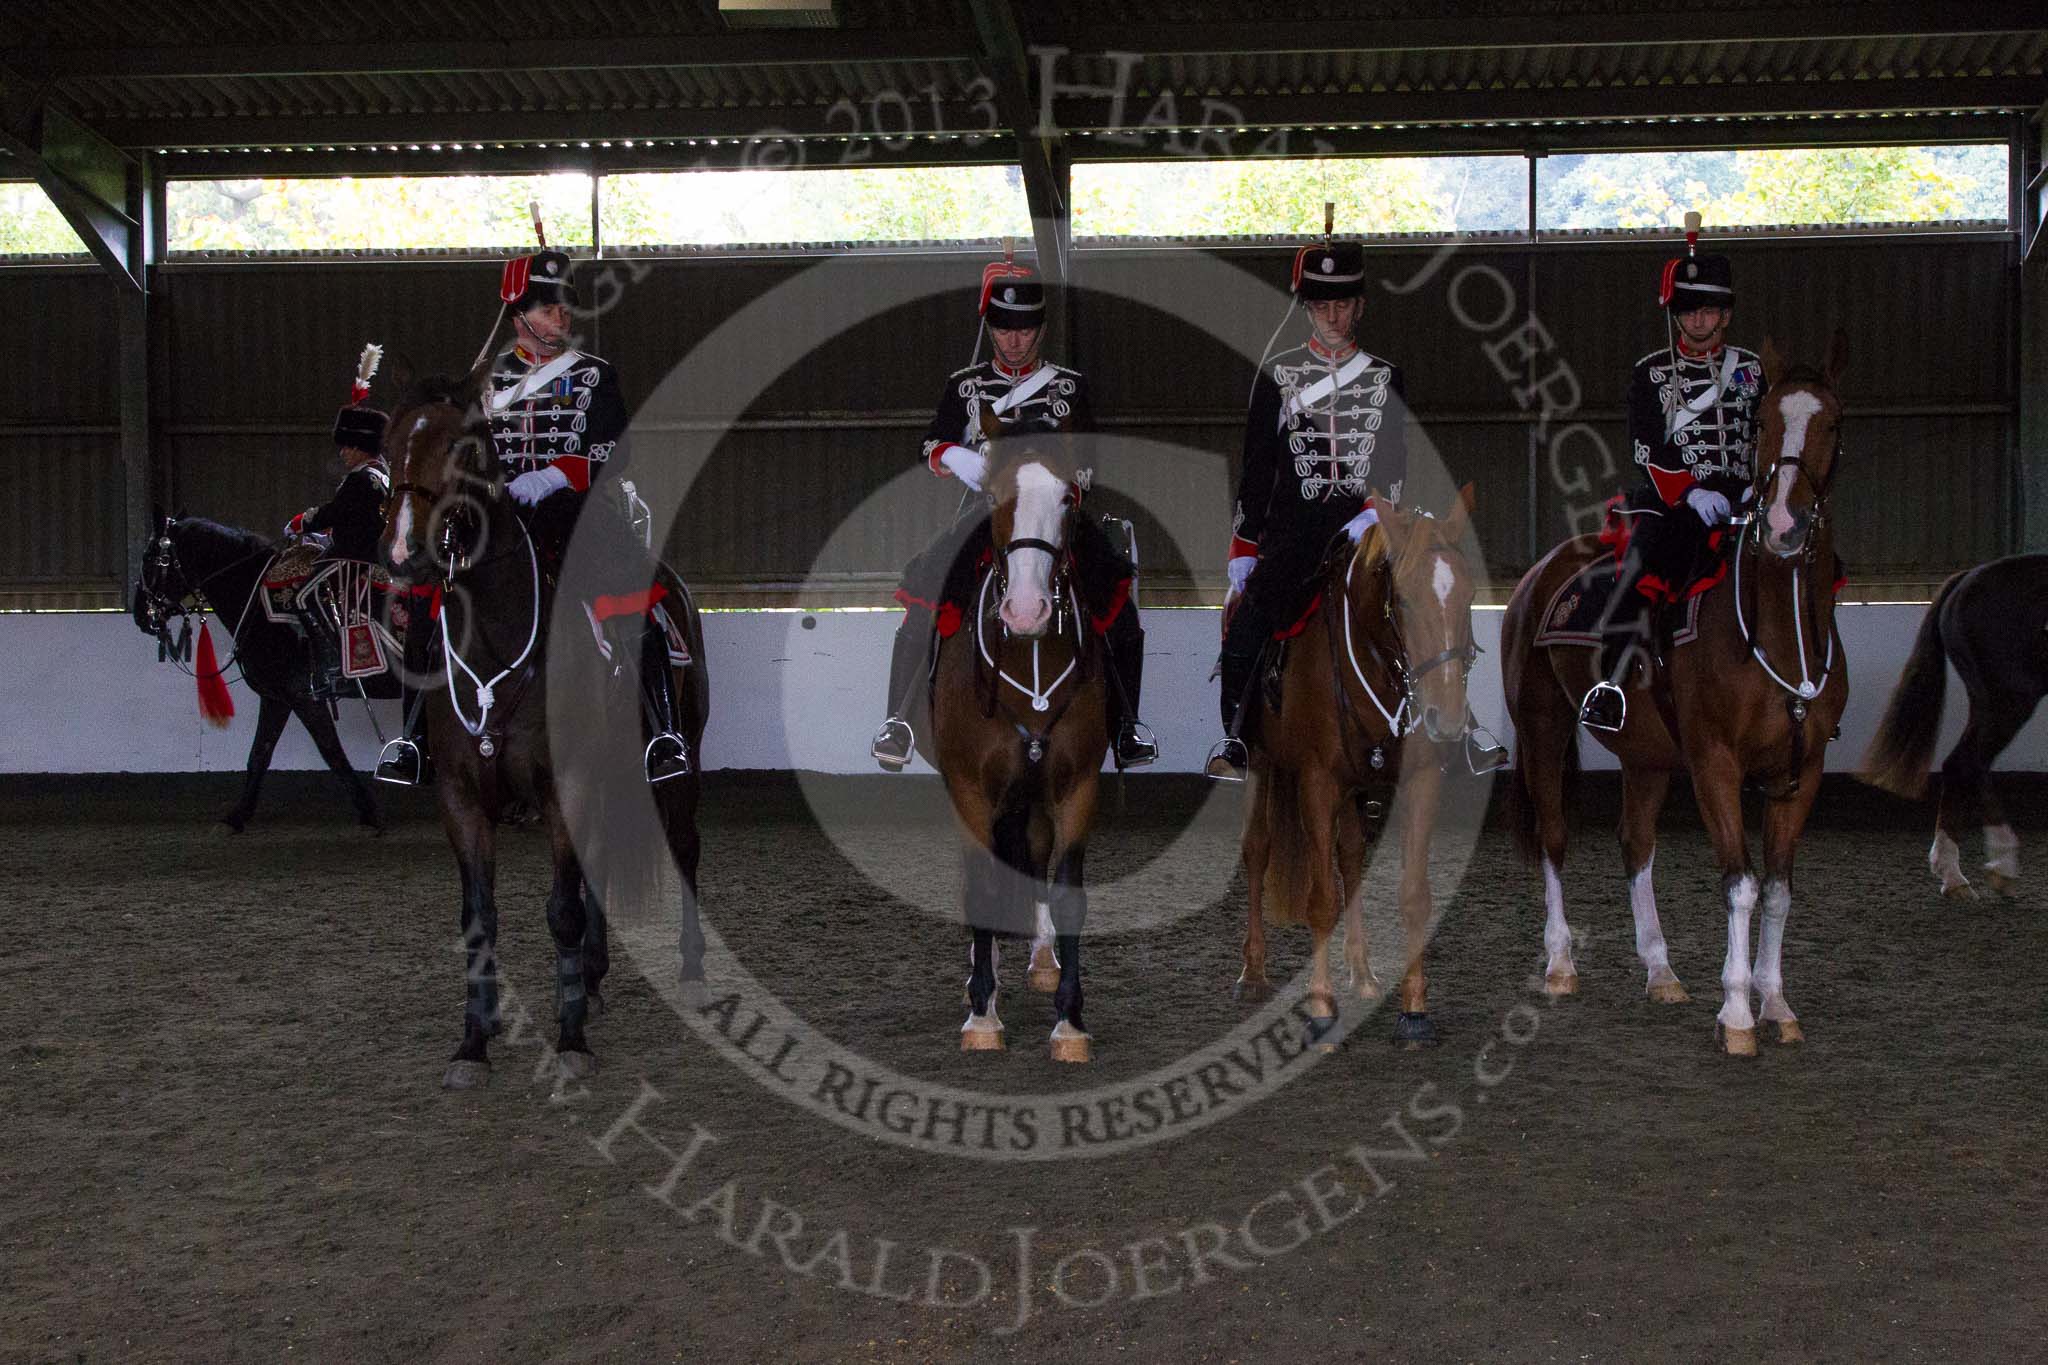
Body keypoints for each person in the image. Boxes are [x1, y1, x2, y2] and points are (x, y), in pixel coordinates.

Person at [375, 247, 689, 785]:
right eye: (547, 309)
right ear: (519, 316)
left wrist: (554, 475)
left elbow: (615, 450)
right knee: (431, 599)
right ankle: (412, 738)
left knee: (634, 597)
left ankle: (662, 732)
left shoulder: (595, 376)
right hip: (498, 512)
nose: (561, 318)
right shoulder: (483, 384)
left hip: (575, 509)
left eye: (565, 308)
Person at [870, 264, 1156, 772]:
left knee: (1117, 603)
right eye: (1004, 328)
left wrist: (1059, 482)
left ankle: (1128, 724)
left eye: (1025, 329)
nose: (1015, 340)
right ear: (989, 326)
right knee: (924, 597)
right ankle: (898, 720)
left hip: (1052, 517)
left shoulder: (1069, 386)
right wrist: (956, 458)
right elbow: (929, 443)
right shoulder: (965, 386)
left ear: (1040, 329)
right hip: (985, 514)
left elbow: (1089, 460)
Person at [1205, 239, 1408, 783]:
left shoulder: (1386, 377)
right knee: (1250, 621)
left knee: (1426, 604)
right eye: (1322, 305)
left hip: (1365, 530)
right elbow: (1257, 470)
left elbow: (1393, 462)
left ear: (1359, 306)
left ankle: (1448, 727)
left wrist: (1375, 514)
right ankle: (1235, 737)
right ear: (1308, 308)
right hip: (1295, 535)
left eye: (1343, 304)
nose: (1334, 316)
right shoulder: (1278, 376)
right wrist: (1245, 549)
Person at [1579, 237, 1762, 732]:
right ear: (1675, 314)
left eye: (1708, 311)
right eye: (1688, 311)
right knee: (1639, 565)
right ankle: (1611, 682)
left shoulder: (1751, 370)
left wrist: (1753, 485)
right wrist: (1690, 491)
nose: (1698, 321)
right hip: (1677, 499)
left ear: (1724, 315)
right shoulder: (1651, 373)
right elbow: (1645, 446)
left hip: (1746, 498)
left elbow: (1766, 433)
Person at [284, 401, 391, 693]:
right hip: (356, 553)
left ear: (362, 446)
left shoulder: (362, 479)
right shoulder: (380, 475)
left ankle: (333, 661)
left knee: (304, 597)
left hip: (352, 559)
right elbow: (351, 518)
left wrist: (302, 523)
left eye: (348, 446)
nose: (342, 452)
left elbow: (335, 512)